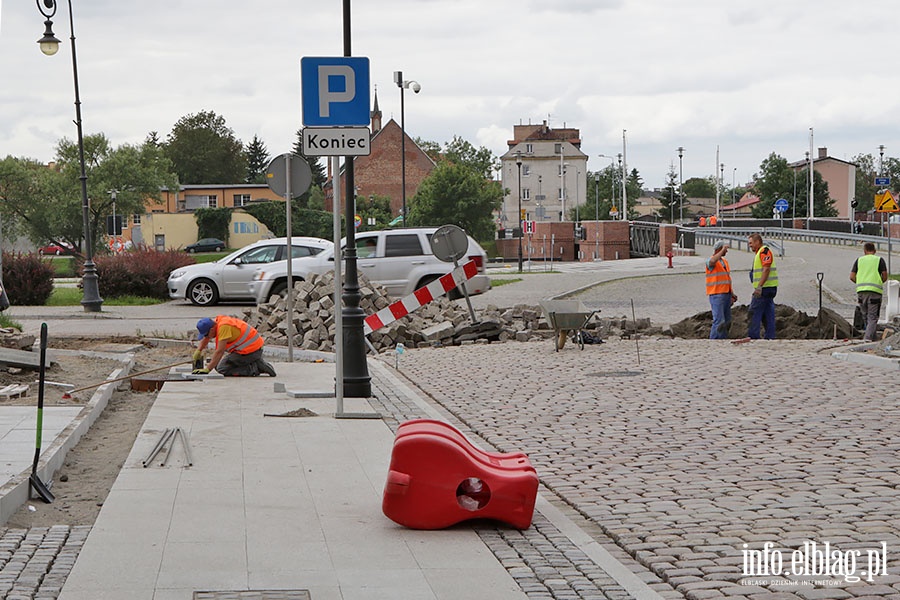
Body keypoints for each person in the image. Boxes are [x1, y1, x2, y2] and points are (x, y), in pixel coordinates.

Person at [192, 316, 277, 377]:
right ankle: (253, 363)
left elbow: (220, 351)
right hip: (247, 350)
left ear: (211, 330)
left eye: (206, 335)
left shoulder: (224, 327)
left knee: (222, 368)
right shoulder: (217, 323)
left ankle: (255, 367)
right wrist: (198, 350)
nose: (207, 337)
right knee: (218, 365)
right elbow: (206, 338)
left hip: (252, 351)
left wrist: (208, 369)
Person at [850, 242, 888, 342]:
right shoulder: (879, 260)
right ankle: (867, 339)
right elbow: (884, 276)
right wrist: (879, 282)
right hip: (875, 292)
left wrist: (859, 283)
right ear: (875, 251)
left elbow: (852, 277)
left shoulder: (859, 260)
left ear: (864, 251)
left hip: (861, 292)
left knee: (866, 317)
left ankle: (873, 338)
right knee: (872, 317)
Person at [747, 233, 778, 340]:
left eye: (751, 243)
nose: (749, 245)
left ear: (757, 241)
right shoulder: (760, 253)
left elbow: (766, 269)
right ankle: (770, 337)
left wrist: (759, 286)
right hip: (769, 288)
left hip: (764, 289)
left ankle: (753, 336)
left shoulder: (764, 251)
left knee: (754, 312)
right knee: (768, 313)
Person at [705, 241, 737, 339]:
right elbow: (712, 262)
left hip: (726, 294)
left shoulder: (725, 262)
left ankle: (723, 340)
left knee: (727, 321)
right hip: (716, 294)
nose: (726, 252)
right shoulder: (710, 260)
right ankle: (713, 340)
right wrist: (722, 250)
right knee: (719, 321)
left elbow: (726, 279)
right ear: (719, 249)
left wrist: (732, 293)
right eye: (725, 249)